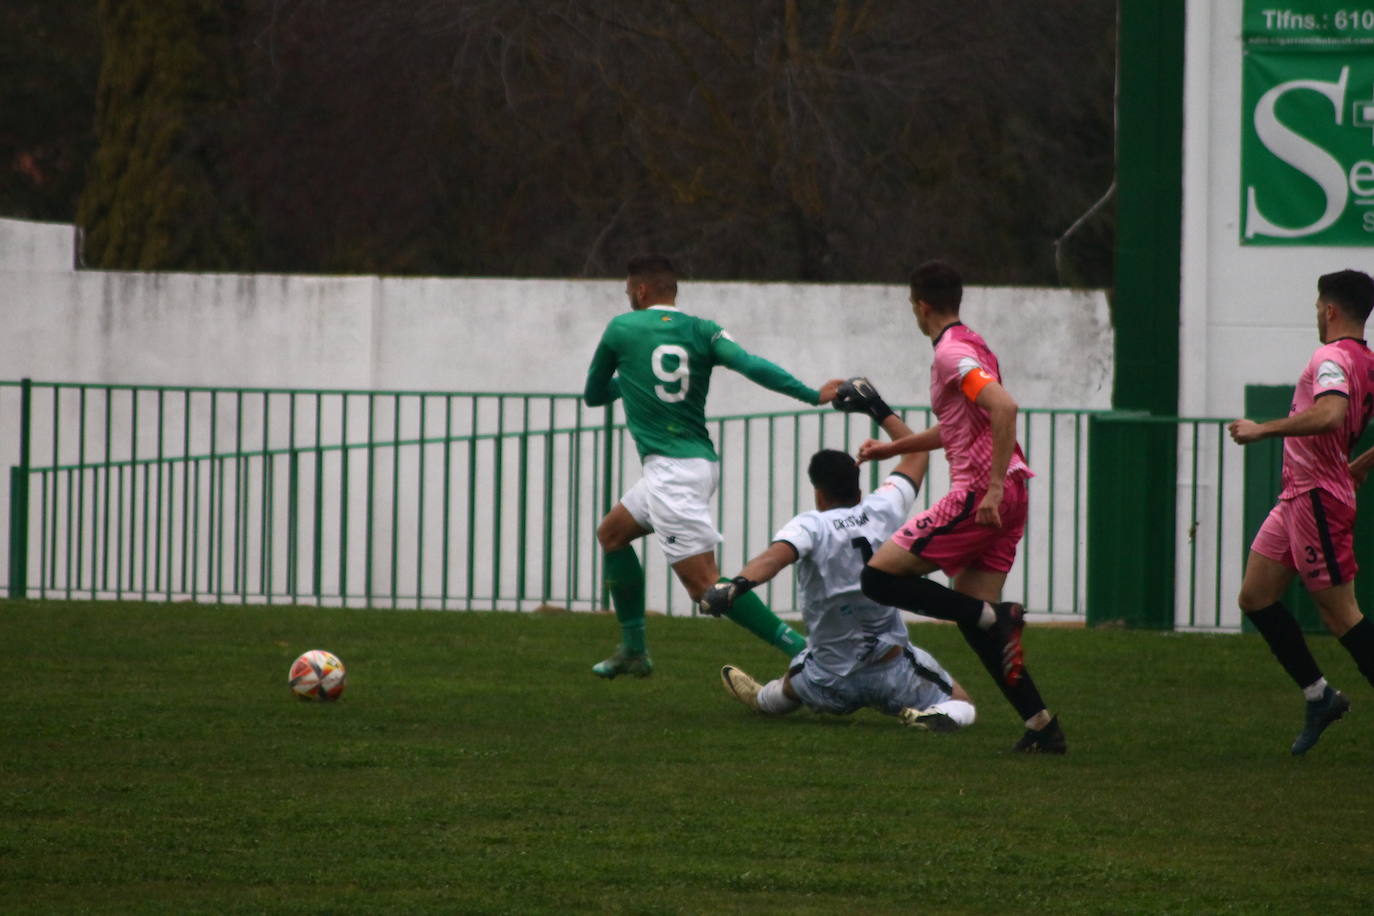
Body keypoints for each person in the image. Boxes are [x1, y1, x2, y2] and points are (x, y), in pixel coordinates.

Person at [583, 254, 842, 679]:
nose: (628, 295)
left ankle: (806, 653)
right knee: (612, 534)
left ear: (641, 290)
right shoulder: (704, 330)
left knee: (706, 587)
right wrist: (812, 394)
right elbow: (750, 364)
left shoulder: (621, 329)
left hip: (672, 474)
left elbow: (594, 395)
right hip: (696, 464)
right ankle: (633, 649)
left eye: (629, 288)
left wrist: (627, 379)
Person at [852, 260, 1066, 753]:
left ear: (921, 305)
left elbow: (1003, 406)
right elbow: (958, 425)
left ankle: (1000, 616)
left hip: (980, 496)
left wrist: (990, 489)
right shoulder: (973, 343)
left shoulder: (951, 354)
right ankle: (1041, 726)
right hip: (1010, 493)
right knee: (975, 616)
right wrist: (892, 449)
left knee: (878, 577)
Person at [702, 386, 977, 732]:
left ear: (818, 493)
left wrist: (737, 586)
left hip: (828, 679)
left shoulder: (810, 525)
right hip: (893, 672)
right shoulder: (883, 507)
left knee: (791, 683)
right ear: (858, 490)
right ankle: (934, 716)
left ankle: (763, 699)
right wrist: (876, 407)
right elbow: (917, 453)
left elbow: (775, 558)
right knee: (962, 703)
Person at [1229, 268, 1374, 755]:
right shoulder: (1366, 361)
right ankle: (1320, 697)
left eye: (1317, 306)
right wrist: (1359, 464)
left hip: (1317, 499)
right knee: (1255, 596)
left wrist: (1262, 429)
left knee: (1341, 615)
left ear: (1330, 310)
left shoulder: (1330, 357)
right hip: (1298, 496)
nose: (1315, 314)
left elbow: (1331, 413)